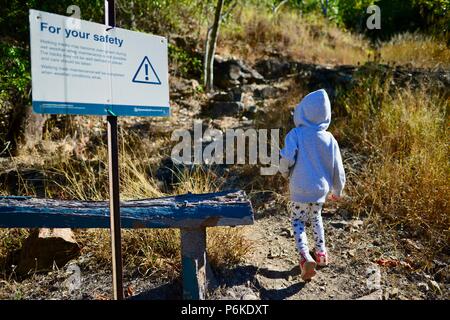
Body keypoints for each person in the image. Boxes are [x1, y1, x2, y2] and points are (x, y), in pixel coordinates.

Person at [279, 89, 346, 281]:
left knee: (298, 221)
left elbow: (286, 158)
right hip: (320, 190)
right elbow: (338, 167)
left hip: (300, 187)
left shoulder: (296, 134)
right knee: (316, 218)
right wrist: (338, 190)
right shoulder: (329, 138)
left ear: (303, 112)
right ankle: (321, 255)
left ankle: (305, 257)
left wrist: (284, 172)